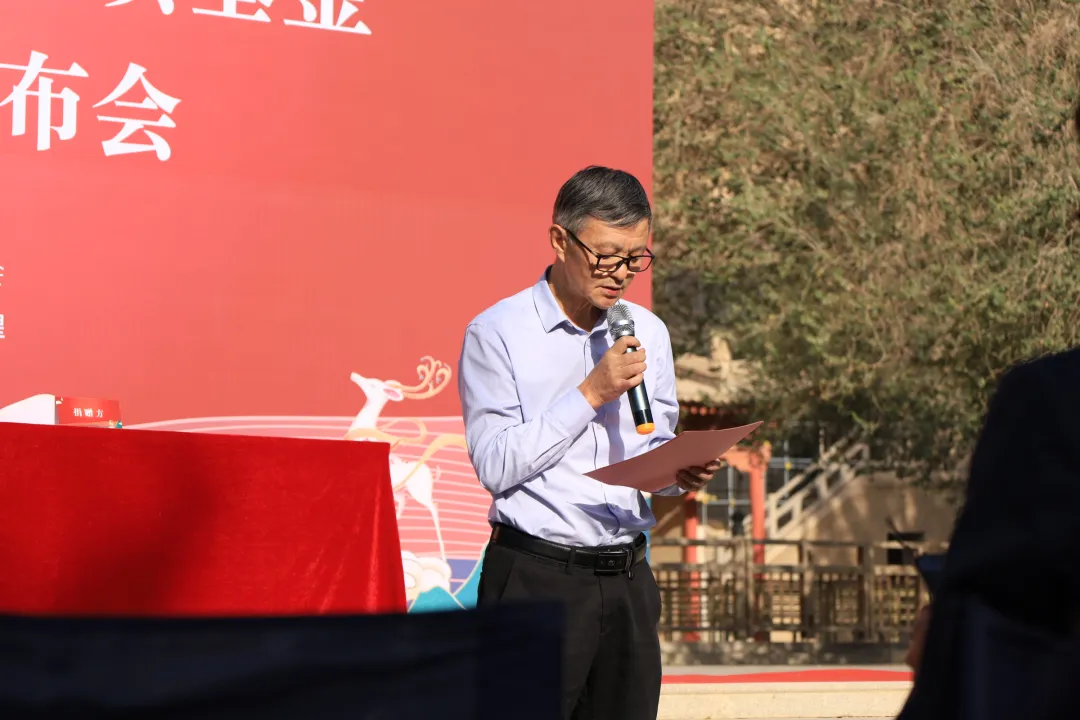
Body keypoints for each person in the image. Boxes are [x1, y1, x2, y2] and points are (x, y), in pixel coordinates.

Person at [457, 166, 722, 720]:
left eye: (635, 258)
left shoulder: (648, 331)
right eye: (606, 256)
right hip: (536, 579)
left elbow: (651, 447)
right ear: (560, 240)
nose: (621, 274)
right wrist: (590, 393)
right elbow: (496, 464)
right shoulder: (498, 332)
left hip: (628, 579)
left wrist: (679, 472)